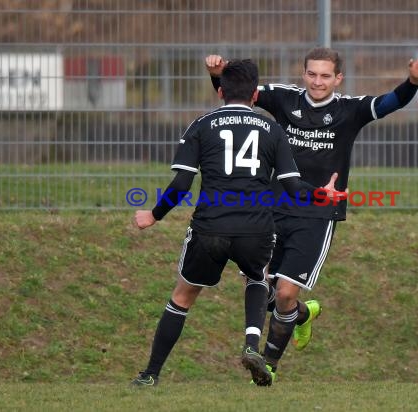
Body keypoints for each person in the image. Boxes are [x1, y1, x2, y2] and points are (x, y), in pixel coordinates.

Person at [205, 48, 418, 380]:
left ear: (338, 78)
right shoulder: (284, 99)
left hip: (317, 212)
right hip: (272, 207)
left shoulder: (349, 110)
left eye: (326, 76)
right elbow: (238, 96)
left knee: (284, 292)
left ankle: (268, 363)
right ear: (304, 74)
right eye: (312, 74)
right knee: (260, 286)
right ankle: (300, 315)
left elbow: (388, 103)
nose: (318, 81)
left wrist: (413, 81)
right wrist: (217, 74)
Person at [130, 59, 342, 387]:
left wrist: (153, 215)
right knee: (257, 276)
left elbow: (181, 185)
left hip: (210, 227)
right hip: (256, 230)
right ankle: (250, 345)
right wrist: (322, 195)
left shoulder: (201, 125)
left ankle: (151, 374)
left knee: (182, 297)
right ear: (255, 95)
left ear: (220, 91)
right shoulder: (272, 129)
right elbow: (293, 187)